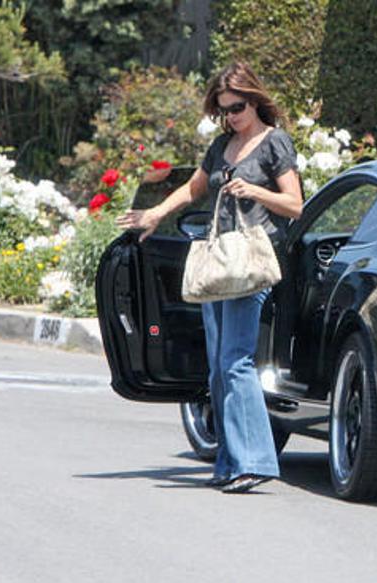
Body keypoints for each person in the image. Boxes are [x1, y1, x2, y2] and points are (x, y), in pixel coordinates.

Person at [116, 61, 303, 493]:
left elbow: (295, 205)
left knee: (236, 361)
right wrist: (155, 213)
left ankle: (255, 461)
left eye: (237, 108)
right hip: (219, 262)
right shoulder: (222, 145)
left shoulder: (274, 142)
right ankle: (230, 461)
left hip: (250, 263)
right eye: (224, 110)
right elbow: (194, 188)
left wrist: (254, 190)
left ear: (254, 101)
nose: (231, 116)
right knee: (218, 366)